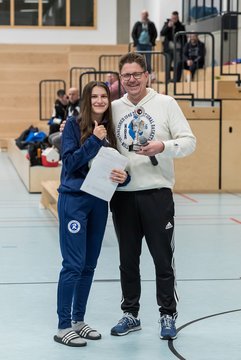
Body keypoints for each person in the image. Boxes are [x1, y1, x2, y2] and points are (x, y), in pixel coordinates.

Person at [109, 52, 196, 340]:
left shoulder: (166, 104)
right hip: (123, 197)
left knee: (162, 258)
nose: (131, 80)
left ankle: (167, 314)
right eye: (126, 75)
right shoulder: (112, 108)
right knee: (127, 259)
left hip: (157, 195)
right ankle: (130, 313)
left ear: (147, 75)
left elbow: (189, 142)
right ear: (120, 79)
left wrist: (163, 146)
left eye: (136, 74)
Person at [54, 81, 128, 347]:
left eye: (103, 96)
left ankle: (78, 321)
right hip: (74, 200)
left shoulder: (111, 130)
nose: (99, 100)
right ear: (87, 100)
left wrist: (124, 177)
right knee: (73, 265)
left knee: (89, 265)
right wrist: (94, 141)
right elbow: (72, 163)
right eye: (94, 96)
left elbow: (117, 164)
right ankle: (63, 327)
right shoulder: (73, 125)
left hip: (99, 201)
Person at [49, 87, 81, 152]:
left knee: (55, 140)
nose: (71, 96)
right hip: (68, 128)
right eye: (70, 94)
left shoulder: (81, 105)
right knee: (50, 137)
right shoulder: (69, 105)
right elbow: (56, 118)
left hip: (77, 130)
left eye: (73, 94)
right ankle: (64, 155)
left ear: (78, 95)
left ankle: (70, 156)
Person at [160, 11, 186, 82]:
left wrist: (183, 48)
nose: (174, 19)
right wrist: (168, 26)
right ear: (171, 17)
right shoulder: (166, 24)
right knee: (168, 65)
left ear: (177, 18)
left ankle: (176, 79)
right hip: (168, 48)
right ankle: (167, 80)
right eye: (173, 18)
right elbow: (162, 33)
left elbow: (184, 38)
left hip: (177, 48)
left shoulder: (181, 26)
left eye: (175, 18)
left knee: (177, 64)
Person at [131, 9, 157, 74]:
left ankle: (149, 75)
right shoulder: (138, 23)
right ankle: (138, 73)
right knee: (139, 60)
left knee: (148, 61)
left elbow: (155, 33)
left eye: (145, 14)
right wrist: (136, 42)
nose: (144, 16)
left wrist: (152, 41)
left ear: (147, 15)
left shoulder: (151, 24)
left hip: (148, 45)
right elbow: (133, 33)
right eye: (142, 14)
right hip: (139, 45)